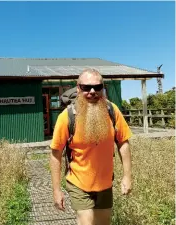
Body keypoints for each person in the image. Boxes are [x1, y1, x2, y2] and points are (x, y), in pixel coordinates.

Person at [49, 68, 133, 225]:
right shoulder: (67, 117)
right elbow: (55, 154)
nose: (92, 91)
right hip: (79, 183)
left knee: (103, 223)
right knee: (87, 222)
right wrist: (56, 190)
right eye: (87, 87)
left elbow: (123, 143)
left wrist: (127, 176)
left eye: (97, 87)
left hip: (105, 183)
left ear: (103, 87)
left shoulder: (112, 111)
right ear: (79, 87)